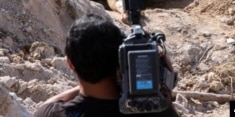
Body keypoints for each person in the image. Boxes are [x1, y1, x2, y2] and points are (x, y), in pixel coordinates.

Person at [34, 13, 179, 117]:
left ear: (70, 64)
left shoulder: (54, 113)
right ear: (120, 62)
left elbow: (46, 106)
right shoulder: (151, 112)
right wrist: (164, 87)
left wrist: (88, 79)